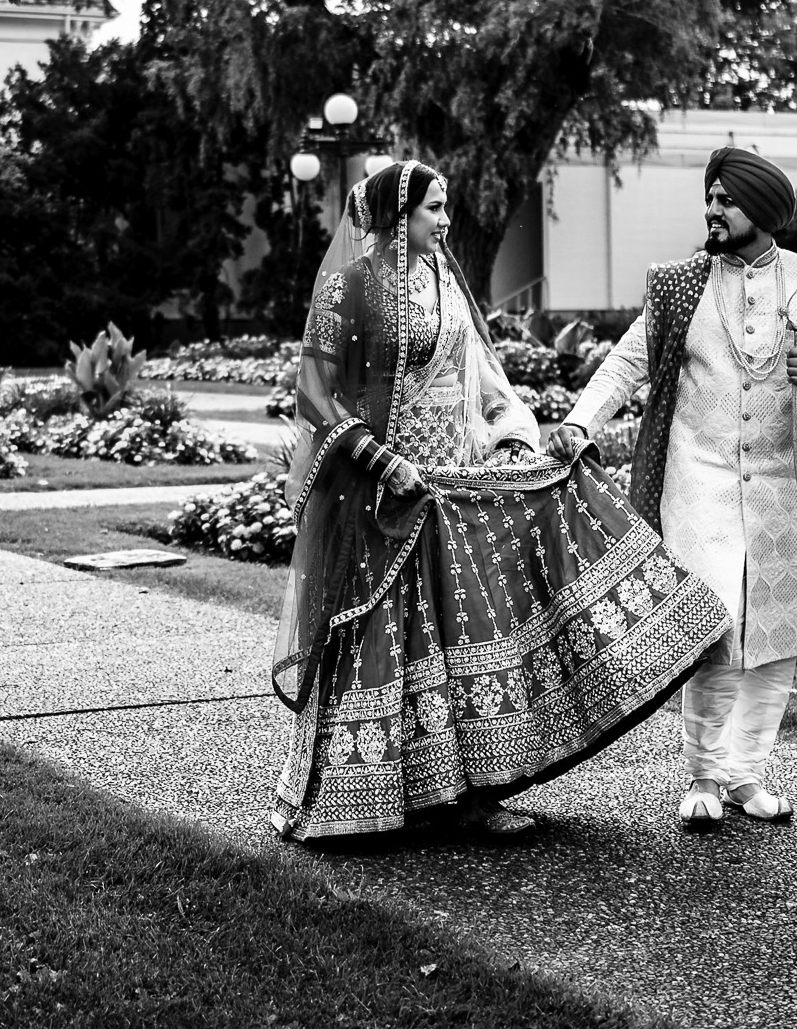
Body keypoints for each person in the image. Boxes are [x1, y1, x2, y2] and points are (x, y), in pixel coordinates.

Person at [271, 161, 730, 842]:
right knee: (387, 639)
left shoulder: (444, 279)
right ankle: (359, 796)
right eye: (433, 209)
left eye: (447, 206)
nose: (446, 221)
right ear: (398, 216)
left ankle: (470, 794)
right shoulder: (352, 284)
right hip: (382, 496)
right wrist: (382, 460)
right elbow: (318, 390)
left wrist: (513, 435)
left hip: (452, 490)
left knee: (465, 641)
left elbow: (483, 372)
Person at [547, 149, 797, 828]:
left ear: (762, 207)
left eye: (725, 199)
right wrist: (577, 423)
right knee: (714, 632)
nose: (712, 210)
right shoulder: (679, 284)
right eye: (709, 197)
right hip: (700, 485)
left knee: (777, 636)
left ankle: (746, 775)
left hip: (783, 489)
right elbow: (625, 363)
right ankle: (703, 776)